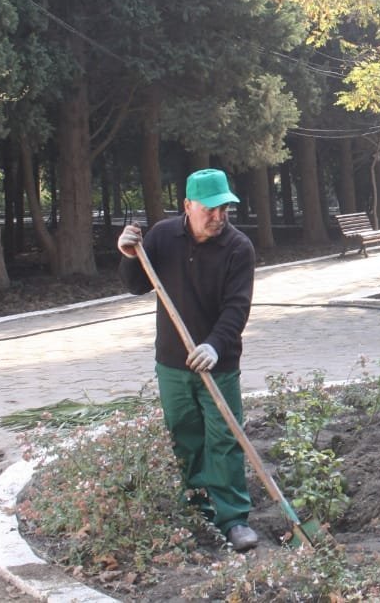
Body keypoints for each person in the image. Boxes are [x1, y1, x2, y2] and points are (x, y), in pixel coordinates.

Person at [117, 168, 259, 553]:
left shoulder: (238, 247)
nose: (219, 216)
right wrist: (130, 255)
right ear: (187, 206)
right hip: (173, 362)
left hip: (219, 361)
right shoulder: (164, 236)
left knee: (225, 438)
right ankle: (199, 511)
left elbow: (237, 307)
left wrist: (214, 345)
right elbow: (135, 285)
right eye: (210, 209)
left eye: (224, 208)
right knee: (186, 436)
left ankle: (233, 519)